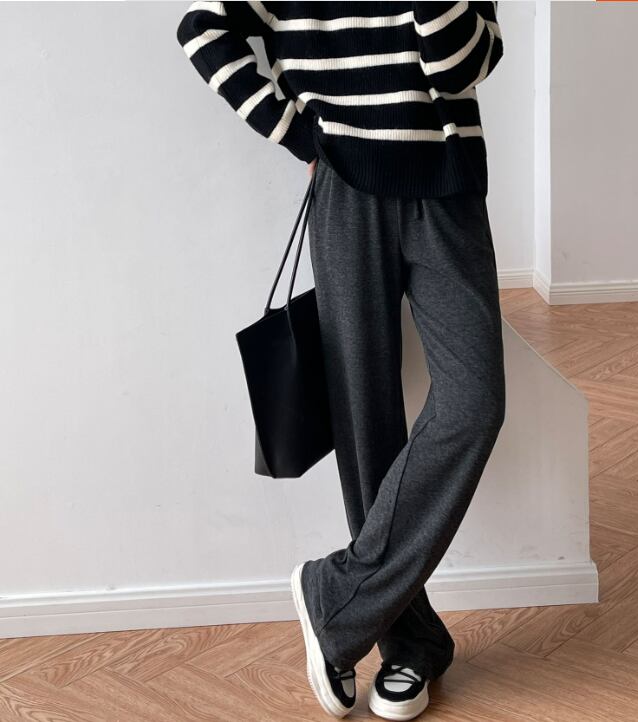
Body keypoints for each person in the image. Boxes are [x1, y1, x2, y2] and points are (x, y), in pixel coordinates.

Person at [176, 2, 505, 719]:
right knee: (366, 422)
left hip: (447, 189)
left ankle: (339, 591)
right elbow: (202, 28)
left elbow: (468, 64)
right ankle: (408, 642)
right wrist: (298, 134)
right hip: (346, 191)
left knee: (474, 403)